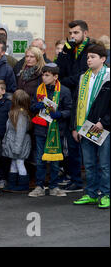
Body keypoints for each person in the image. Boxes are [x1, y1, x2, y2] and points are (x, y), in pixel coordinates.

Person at [71, 43, 109, 209]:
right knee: (89, 164)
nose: (89, 60)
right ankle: (91, 194)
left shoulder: (108, 76)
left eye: (93, 57)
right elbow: (77, 103)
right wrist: (75, 127)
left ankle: (106, 194)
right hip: (85, 127)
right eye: (87, 57)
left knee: (105, 164)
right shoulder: (83, 77)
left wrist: (104, 122)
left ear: (103, 59)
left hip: (103, 127)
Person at [56, 20, 93, 192]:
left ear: (85, 33)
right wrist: (64, 53)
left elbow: (81, 75)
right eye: (70, 33)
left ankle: (97, 185)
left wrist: (64, 81)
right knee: (72, 143)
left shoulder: (91, 50)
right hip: (72, 101)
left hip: (88, 102)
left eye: (76, 33)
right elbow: (60, 71)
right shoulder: (69, 49)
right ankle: (76, 181)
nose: (72, 36)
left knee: (92, 146)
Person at [28, 63, 72, 197]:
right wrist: (37, 106)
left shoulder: (64, 91)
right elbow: (32, 106)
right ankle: (39, 186)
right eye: (43, 74)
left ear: (55, 76)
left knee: (55, 160)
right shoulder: (39, 89)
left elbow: (69, 110)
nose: (44, 78)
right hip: (41, 129)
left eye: (47, 75)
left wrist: (60, 114)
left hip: (57, 130)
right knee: (40, 158)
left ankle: (53, 186)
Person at [1, 90, 32, 192]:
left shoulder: (21, 115)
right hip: (13, 143)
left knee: (19, 163)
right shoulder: (16, 113)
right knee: (14, 163)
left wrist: (17, 148)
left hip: (19, 144)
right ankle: (12, 183)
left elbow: (20, 132)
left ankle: (23, 185)